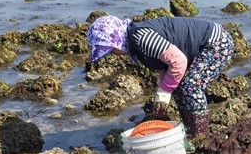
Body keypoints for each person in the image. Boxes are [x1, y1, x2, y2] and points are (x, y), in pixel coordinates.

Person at [86, 14, 234, 137]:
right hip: (202, 46)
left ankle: (201, 135)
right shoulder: (135, 44)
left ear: (116, 39)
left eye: (111, 49)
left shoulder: (141, 37)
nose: (113, 54)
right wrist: (162, 91)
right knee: (178, 88)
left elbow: (178, 61)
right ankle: (191, 131)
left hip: (216, 42)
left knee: (191, 86)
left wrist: (165, 91)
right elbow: (166, 66)